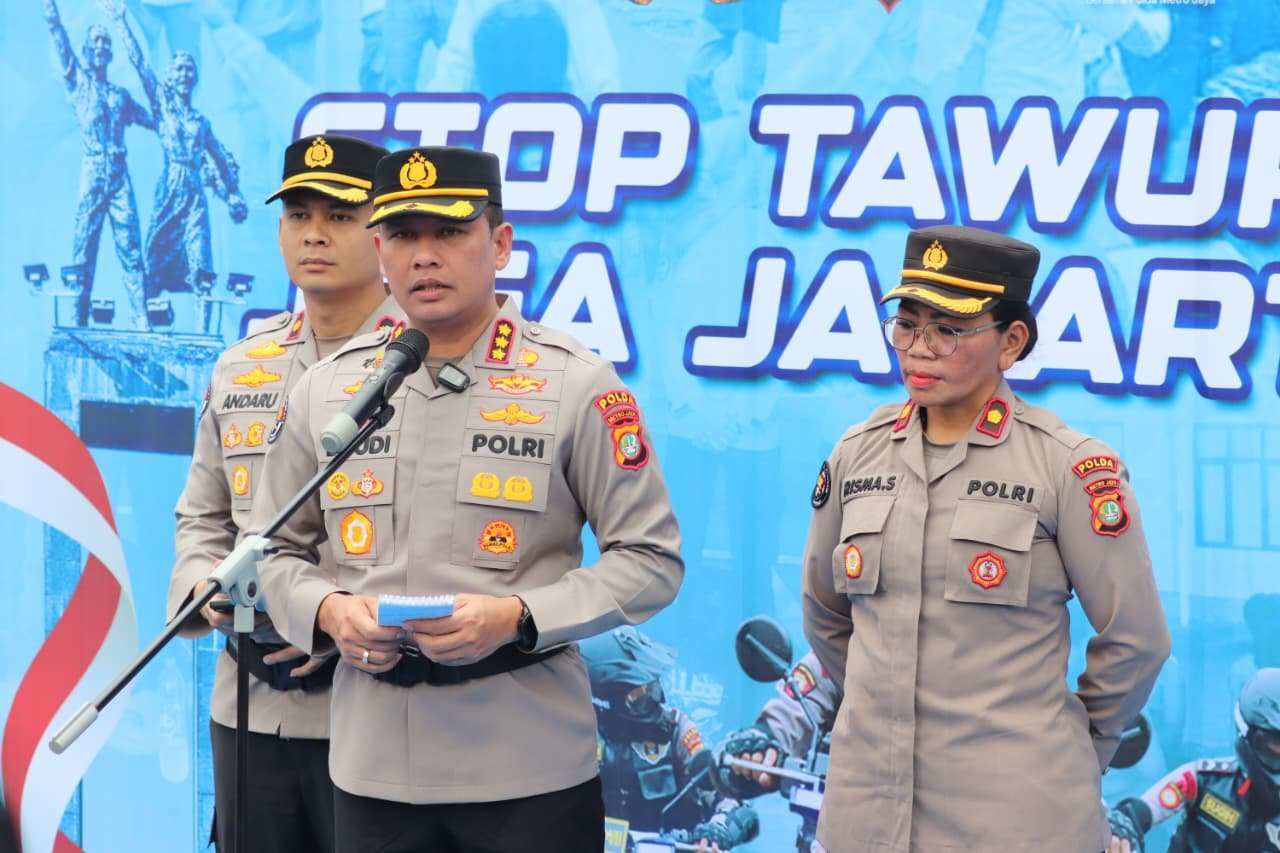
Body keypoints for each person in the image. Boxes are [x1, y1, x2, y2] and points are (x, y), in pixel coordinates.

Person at [250, 145, 683, 853]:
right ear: (380, 250)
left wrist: (520, 615)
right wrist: (328, 612)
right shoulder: (330, 390)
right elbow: (272, 549)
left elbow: (651, 559)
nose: (424, 255)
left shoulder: (574, 384)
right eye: (402, 234)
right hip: (371, 771)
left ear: (501, 243)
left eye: (449, 231)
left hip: (528, 769)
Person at [801, 224, 1170, 852]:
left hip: (1018, 821)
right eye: (906, 325)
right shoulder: (856, 456)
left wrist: (1069, 750)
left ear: (1012, 341)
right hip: (868, 818)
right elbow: (825, 615)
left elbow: (1137, 640)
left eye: (948, 329)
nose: (920, 349)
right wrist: (889, 712)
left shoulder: (1068, 469)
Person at [166, 133, 399, 853]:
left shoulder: (421, 364)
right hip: (248, 707)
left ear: (383, 232)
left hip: (382, 707)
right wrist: (202, 589)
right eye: (298, 215)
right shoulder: (242, 364)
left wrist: (335, 620)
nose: (314, 234)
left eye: (340, 216)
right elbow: (202, 514)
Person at [102, 0, 248, 306]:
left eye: (189, 69)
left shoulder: (201, 122)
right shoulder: (162, 107)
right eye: (179, 68)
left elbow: (221, 158)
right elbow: (139, 62)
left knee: (201, 265)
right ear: (169, 75)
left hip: (194, 193)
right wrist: (121, 22)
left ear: (195, 77)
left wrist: (233, 193)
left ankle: (203, 327)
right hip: (169, 190)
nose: (184, 74)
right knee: (155, 259)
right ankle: (145, 321)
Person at [580, 626, 759, 852]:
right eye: (638, 691)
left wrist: (718, 828)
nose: (652, 695)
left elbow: (725, 793)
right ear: (604, 697)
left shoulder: (674, 729)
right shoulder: (574, 738)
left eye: (651, 685)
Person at [42, 0, 153, 329]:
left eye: (106, 42)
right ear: (87, 50)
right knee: (84, 248)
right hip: (92, 173)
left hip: (119, 174)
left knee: (130, 246)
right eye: (96, 42)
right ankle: (77, 317)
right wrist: (51, 10)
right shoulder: (78, 83)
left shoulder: (121, 95)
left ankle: (141, 317)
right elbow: (59, 38)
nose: (102, 46)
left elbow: (155, 121)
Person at [1107, 668, 1280, 853]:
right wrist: (1122, 828)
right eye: (1276, 742)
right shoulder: (1204, 780)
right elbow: (1142, 811)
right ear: (1246, 737)